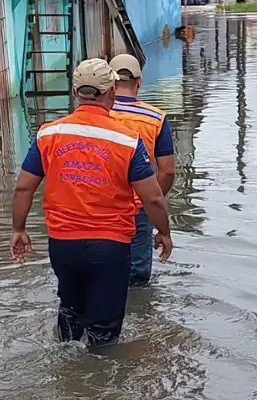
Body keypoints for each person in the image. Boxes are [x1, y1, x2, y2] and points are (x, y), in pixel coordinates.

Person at [10, 58, 174, 351]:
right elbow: (152, 197)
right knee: (105, 334)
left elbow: (24, 186)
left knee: (70, 311)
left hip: (63, 244)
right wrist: (164, 231)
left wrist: (18, 229)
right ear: (111, 91)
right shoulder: (127, 141)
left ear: (75, 92)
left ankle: (65, 377)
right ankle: (99, 388)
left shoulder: (47, 134)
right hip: (109, 246)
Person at [108, 53, 176, 287]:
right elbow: (167, 171)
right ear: (139, 82)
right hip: (139, 207)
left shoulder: (94, 117)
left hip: (96, 207)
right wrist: (151, 201)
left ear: (109, 83)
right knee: (136, 279)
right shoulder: (156, 119)